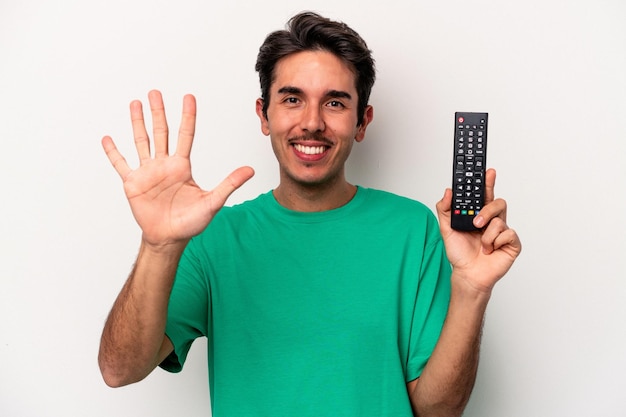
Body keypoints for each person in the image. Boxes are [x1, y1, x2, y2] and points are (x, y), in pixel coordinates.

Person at [98, 11, 521, 417]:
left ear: (362, 121)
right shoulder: (214, 237)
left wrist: (471, 289)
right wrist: (157, 245)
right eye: (292, 99)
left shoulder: (415, 229)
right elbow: (119, 370)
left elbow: (438, 411)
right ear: (265, 115)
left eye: (335, 103)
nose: (312, 123)